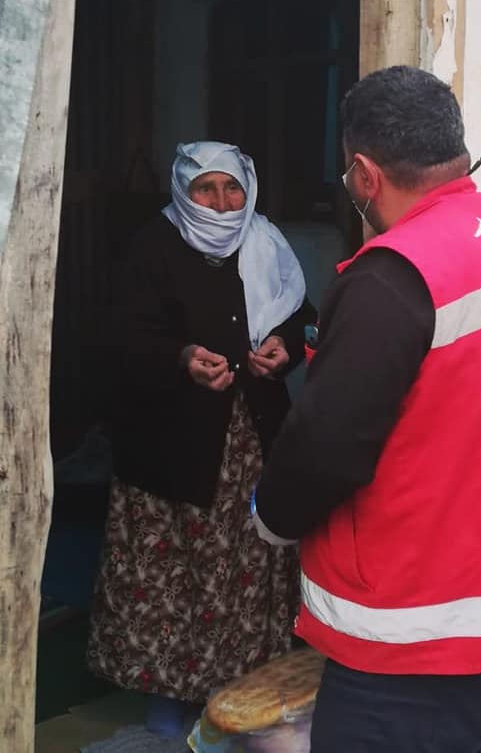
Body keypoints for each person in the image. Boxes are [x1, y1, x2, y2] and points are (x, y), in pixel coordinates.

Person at [253, 67, 481, 753]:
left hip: (422, 639)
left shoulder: (392, 276)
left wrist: (272, 517)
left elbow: (325, 446)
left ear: (364, 174)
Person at [87, 141, 315, 738]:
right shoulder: (153, 246)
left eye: (232, 187)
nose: (221, 202)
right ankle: (167, 703)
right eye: (205, 189)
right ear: (183, 192)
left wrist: (284, 349)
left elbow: (301, 314)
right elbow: (122, 335)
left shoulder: (264, 242)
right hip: (170, 448)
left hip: (249, 443)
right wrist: (181, 357)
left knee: (245, 566)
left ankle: (235, 691)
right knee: (171, 575)